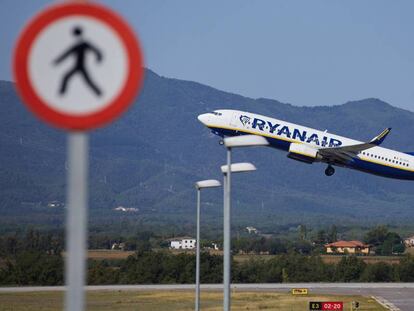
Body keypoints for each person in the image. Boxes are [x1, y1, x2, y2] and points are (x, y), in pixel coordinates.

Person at [53, 26, 103, 96]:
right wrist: (57, 61)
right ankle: (62, 93)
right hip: (76, 66)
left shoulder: (85, 44)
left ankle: (99, 93)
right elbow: (66, 54)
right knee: (66, 77)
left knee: (87, 81)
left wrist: (99, 58)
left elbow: (96, 50)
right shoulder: (76, 45)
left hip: (81, 66)